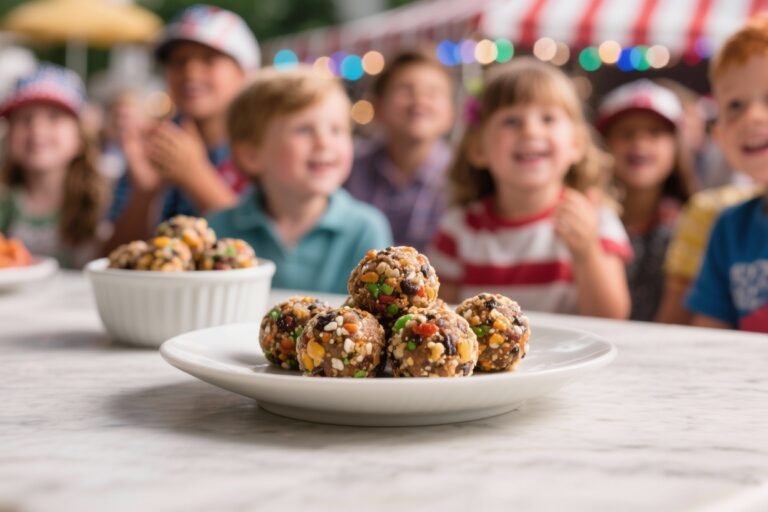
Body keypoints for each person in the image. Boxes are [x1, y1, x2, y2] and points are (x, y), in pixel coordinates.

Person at [428, 58, 631, 317]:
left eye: (548, 119)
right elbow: (439, 319)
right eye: (511, 121)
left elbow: (612, 317)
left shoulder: (595, 218)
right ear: (478, 148)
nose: (530, 131)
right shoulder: (459, 229)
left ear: (577, 144)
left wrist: (587, 252)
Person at [208, 66, 393, 294]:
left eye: (336, 130)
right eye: (303, 130)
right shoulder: (219, 231)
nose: (324, 142)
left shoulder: (365, 229)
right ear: (252, 155)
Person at [106, 5, 258, 251]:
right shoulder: (152, 144)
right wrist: (143, 194)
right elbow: (112, 258)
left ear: (245, 73)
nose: (190, 72)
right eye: (178, 61)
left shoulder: (266, 147)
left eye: (209, 59)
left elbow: (263, 252)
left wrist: (195, 175)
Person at [685, 17, 768, 333]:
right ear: (718, 135)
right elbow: (710, 336)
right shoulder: (730, 229)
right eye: (735, 105)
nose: (752, 117)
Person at [596, 80, 697, 321]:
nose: (639, 142)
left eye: (655, 132)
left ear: (676, 146)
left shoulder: (692, 224)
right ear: (604, 145)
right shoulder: (590, 219)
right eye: (626, 133)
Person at [345, 49, 454, 251]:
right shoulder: (349, 167)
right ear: (377, 107)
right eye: (406, 90)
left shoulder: (463, 177)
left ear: (450, 113)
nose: (420, 100)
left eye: (433, 92)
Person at [0, 64, 107, 268]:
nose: (37, 129)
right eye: (25, 118)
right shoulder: (4, 201)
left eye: (53, 117)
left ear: (80, 136)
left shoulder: (101, 201)